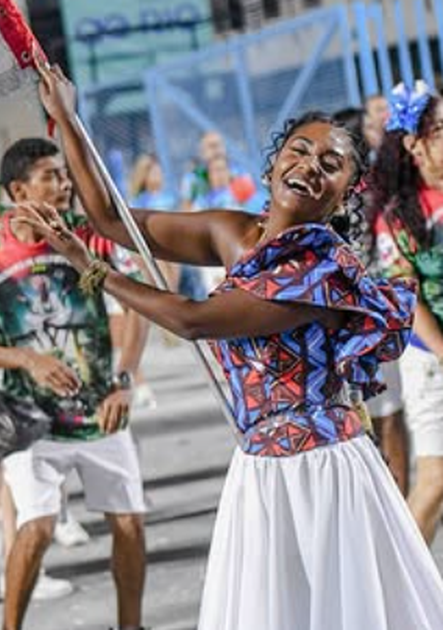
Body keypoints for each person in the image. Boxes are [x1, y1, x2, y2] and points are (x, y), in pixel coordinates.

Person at [37, 61, 443, 629]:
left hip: (322, 473)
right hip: (261, 468)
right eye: (299, 150)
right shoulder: (235, 231)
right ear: (276, 158)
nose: (309, 167)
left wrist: (96, 274)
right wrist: (67, 119)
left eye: (330, 165)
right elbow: (110, 219)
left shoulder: (321, 266)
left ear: (347, 193)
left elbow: (194, 319)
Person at [0, 137, 148, 630]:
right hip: (30, 420)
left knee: (128, 523)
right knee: (35, 529)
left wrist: (123, 381)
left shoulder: (93, 238)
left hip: (101, 410)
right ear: (18, 190)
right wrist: (24, 359)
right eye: (49, 177)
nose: (62, 185)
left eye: (64, 174)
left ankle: (131, 625)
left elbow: (138, 306)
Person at [370, 82, 443, 537]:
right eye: (441, 130)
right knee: (435, 480)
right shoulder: (398, 215)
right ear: (415, 144)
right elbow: (406, 294)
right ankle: (406, 599)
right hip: (430, 359)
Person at [332, 106, 411, 494]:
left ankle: (395, 498)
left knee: (380, 419)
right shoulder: (367, 192)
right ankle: (398, 501)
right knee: (387, 417)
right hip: (371, 319)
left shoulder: (353, 193)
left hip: (358, 321)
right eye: (366, 126)